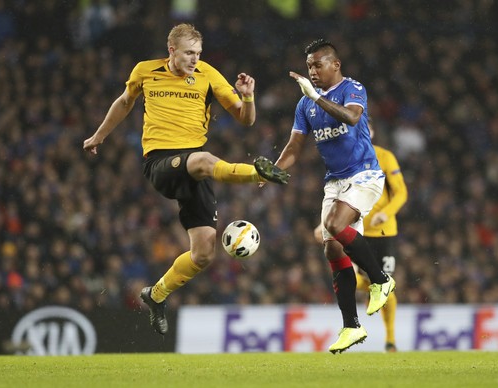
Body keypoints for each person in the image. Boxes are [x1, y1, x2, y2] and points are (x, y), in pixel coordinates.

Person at [83, 23, 289, 335]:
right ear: (172, 50)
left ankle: (156, 295)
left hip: (194, 166)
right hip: (161, 161)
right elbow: (125, 102)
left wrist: (248, 98)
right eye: (189, 53)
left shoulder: (207, 74)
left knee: (204, 253)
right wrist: (99, 135)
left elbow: (246, 120)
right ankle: (257, 173)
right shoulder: (145, 71)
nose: (194, 59)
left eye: (198, 53)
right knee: (206, 160)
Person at [273, 39, 395, 354]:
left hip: (364, 173)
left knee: (334, 223)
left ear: (335, 64)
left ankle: (381, 280)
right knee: (332, 247)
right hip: (335, 182)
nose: (312, 71)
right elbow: (294, 148)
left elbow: (352, 118)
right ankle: (352, 327)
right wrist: (270, 171)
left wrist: (317, 97)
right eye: (309, 66)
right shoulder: (305, 105)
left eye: (318, 65)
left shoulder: (353, 89)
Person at [314, 118, 408, 352]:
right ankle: (357, 314)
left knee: (385, 287)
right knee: (351, 275)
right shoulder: (344, 157)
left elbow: (401, 192)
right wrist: (324, 225)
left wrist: (386, 213)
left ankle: (390, 340)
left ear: (371, 132)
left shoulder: (384, 157)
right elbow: (337, 196)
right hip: (354, 229)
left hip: (384, 232)